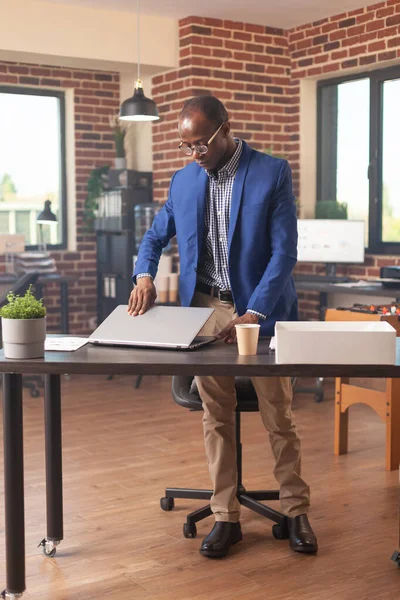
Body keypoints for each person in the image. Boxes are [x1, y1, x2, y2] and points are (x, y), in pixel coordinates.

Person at [128, 95, 318, 558]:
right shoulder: (184, 180)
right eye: (186, 146)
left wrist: (255, 312)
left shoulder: (271, 172)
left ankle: (295, 509)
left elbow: (283, 254)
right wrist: (145, 275)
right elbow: (154, 236)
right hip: (206, 311)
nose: (195, 154)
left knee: (279, 414)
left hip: (261, 311)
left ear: (225, 129)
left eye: (201, 144)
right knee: (216, 413)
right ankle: (225, 516)